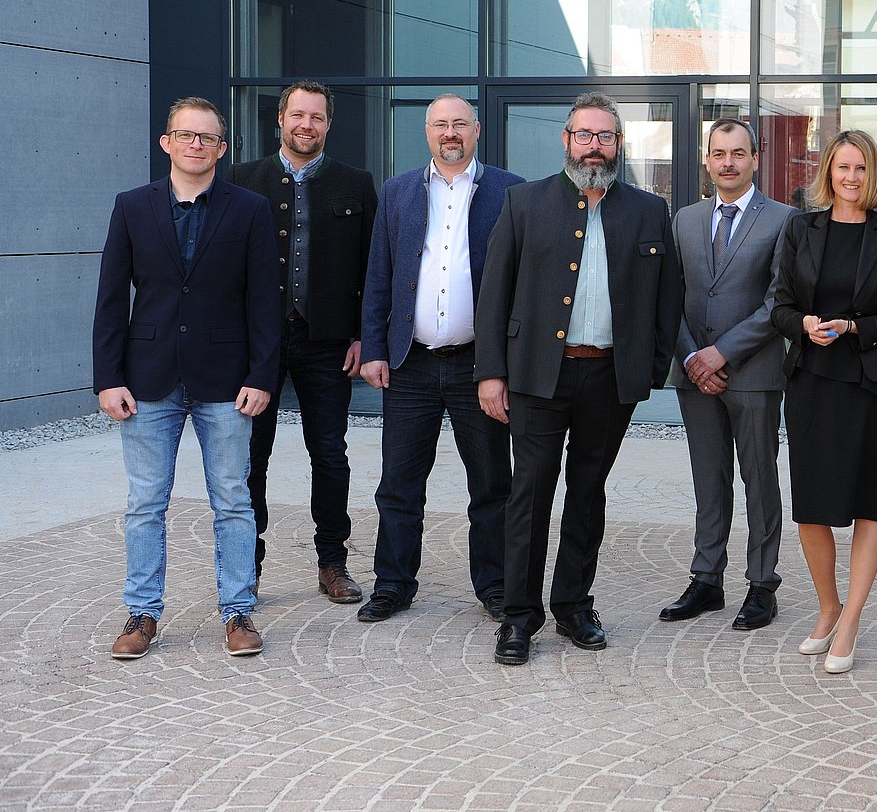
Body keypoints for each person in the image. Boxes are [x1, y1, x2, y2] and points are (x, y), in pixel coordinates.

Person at [476, 92, 681, 665]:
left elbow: (667, 298)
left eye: (605, 136)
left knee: (588, 493)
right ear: (566, 140)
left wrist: (648, 369)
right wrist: (490, 374)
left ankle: (572, 605)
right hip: (537, 377)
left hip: (609, 378)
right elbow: (494, 295)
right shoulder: (524, 202)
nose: (594, 145)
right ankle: (519, 617)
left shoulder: (648, 210)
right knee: (530, 494)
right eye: (584, 135)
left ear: (619, 143)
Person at [92, 97, 280, 659]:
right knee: (146, 503)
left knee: (234, 500)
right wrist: (107, 378)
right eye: (186, 135)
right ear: (166, 142)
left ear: (222, 148)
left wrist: (262, 375)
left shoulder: (249, 209)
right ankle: (142, 613)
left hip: (227, 380)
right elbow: (110, 299)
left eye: (207, 137)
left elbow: (263, 302)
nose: (196, 144)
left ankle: (238, 611)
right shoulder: (132, 206)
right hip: (147, 380)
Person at [356, 95, 523, 625]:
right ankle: (393, 584)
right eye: (440, 125)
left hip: (481, 367)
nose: (450, 133)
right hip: (411, 364)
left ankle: (495, 584)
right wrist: (374, 349)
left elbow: (521, 283)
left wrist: (506, 365)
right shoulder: (398, 191)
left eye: (460, 124)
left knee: (492, 484)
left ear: (477, 130)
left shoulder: (511, 191)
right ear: (427, 132)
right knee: (399, 484)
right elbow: (379, 274)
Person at [768, 130, 877, 674]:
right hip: (811, 379)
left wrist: (854, 326)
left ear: (872, 174)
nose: (851, 177)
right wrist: (805, 324)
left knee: (866, 503)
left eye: (860, 168)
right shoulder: (800, 228)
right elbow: (780, 306)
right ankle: (828, 607)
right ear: (828, 171)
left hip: (868, 384)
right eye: (842, 167)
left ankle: (851, 620)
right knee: (811, 505)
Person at [228, 80, 377, 602]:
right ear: (280, 119)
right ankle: (246, 566)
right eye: (297, 115)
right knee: (252, 456)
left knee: (330, 454)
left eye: (316, 117)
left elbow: (372, 266)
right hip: (258, 344)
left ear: (328, 124)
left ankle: (332, 562)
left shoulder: (356, 183)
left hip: (328, 342)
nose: (305, 125)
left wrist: (363, 335)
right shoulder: (242, 180)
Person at [659, 120, 796, 631]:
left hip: (753, 373)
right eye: (719, 153)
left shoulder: (783, 219)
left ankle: (762, 584)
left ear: (755, 159)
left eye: (738, 153)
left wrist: (721, 354)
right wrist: (693, 358)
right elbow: (669, 295)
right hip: (694, 373)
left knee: (759, 479)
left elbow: (779, 301)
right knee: (708, 479)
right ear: (707, 160)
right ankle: (706, 579)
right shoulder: (685, 219)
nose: (728, 162)